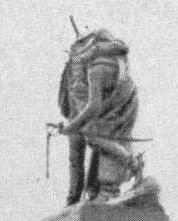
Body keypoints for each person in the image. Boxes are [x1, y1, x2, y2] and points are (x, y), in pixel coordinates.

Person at [57, 28, 140, 203]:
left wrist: (72, 125)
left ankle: (125, 169)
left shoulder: (97, 66)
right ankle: (84, 196)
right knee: (90, 148)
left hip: (91, 114)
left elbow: (93, 105)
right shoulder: (117, 62)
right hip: (89, 112)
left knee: (96, 141)